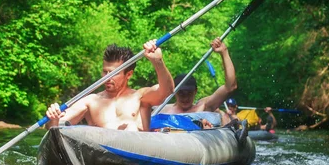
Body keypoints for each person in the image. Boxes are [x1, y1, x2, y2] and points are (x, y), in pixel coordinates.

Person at [45, 40, 174, 132]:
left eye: (113, 73)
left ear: (128, 74)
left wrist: (158, 62)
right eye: (105, 71)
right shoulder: (91, 101)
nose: (107, 77)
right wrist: (53, 118)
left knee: (131, 127)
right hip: (101, 156)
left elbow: (167, 91)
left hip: (134, 156)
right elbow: (55, 126)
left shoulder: (140, 97)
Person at [157, 38, 237, 116]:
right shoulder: (162, 110)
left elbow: (230, 87)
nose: (185, 98)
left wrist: (224, 52)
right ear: (174, 93)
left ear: (195, 91)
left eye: (189, 93)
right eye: (181, 93)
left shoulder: (203, 107)